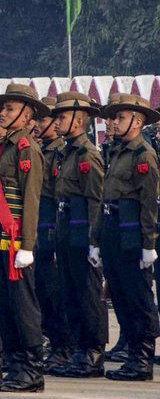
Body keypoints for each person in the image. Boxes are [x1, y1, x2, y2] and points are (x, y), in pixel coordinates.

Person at [0, 84, 47, 393]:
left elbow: (31, 199)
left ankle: (31, 368)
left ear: (27, 114)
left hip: (16, 235)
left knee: (22, 302)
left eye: (10, 109)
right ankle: (14, 363)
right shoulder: (4, 145)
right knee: (4, 301)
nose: (4, 114)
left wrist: (28, 245)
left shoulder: (27, 149)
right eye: (4, 109)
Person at [96, 92, 159, 381]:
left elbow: (149, 203)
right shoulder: (118, 152)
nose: (115, 122)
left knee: (137, 297)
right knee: (120, 295)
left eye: (120, 117)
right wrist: (96, 240)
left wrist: (149, 244)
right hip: (113, 232)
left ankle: (142, 358)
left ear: (137, 121)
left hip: (132, 234)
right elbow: (103, 198)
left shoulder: (143, 154)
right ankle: (132, 354)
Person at [49, 91, 109, 378]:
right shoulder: (67, 152)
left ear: (79, 119)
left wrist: (94, 242)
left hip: (81, 230)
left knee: (87, 293)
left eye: (62, 117)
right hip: (66, 228)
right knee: (70, 292)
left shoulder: (87, 155)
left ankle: (94, 352)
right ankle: (78, 350)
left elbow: (96, 200)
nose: (56, 121)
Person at [34, 96, 71, 374]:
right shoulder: (42, 150)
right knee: (42, 290)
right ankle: (52, 340)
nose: (38, 125)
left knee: (55, 290)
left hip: (52, 222)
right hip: (39, 221)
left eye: (44, 121)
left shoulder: (59, 153)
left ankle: (63, 346)